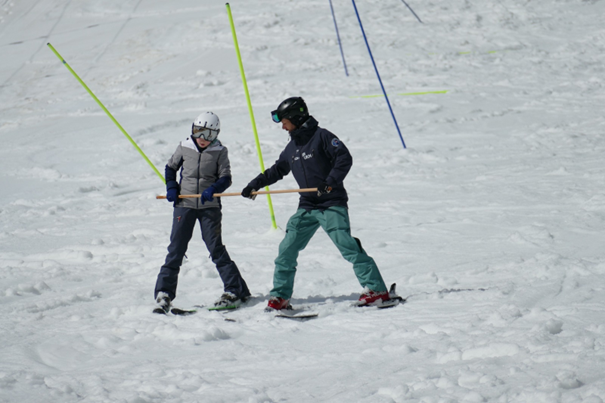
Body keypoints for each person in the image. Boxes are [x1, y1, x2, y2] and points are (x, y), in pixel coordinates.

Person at [241, 97, 391, 311]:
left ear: (296, 118)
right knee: (287, 248)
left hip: (331, 203)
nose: (283, 127)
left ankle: (377, 290)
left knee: (347, 245)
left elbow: (344, 158)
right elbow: (278, 170)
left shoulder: (322, 137)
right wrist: (255, 184)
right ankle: (280, 296)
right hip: (308, 206)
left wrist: (329, 183)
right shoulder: (292, 147)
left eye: (285, 122)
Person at [154, 111, 250, 314]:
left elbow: (226, 178)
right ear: (193, 130)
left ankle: (234, 290)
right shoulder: (184, 146)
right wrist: (172, 187)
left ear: (216, 135)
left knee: (216, 248)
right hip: (185, 204)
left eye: (209, 134)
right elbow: (170, 168)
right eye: (199, 132)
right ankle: (164, 293)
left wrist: (213, 189)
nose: (203, 138)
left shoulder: (220, 151)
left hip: (209, 206)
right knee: (176, 249)